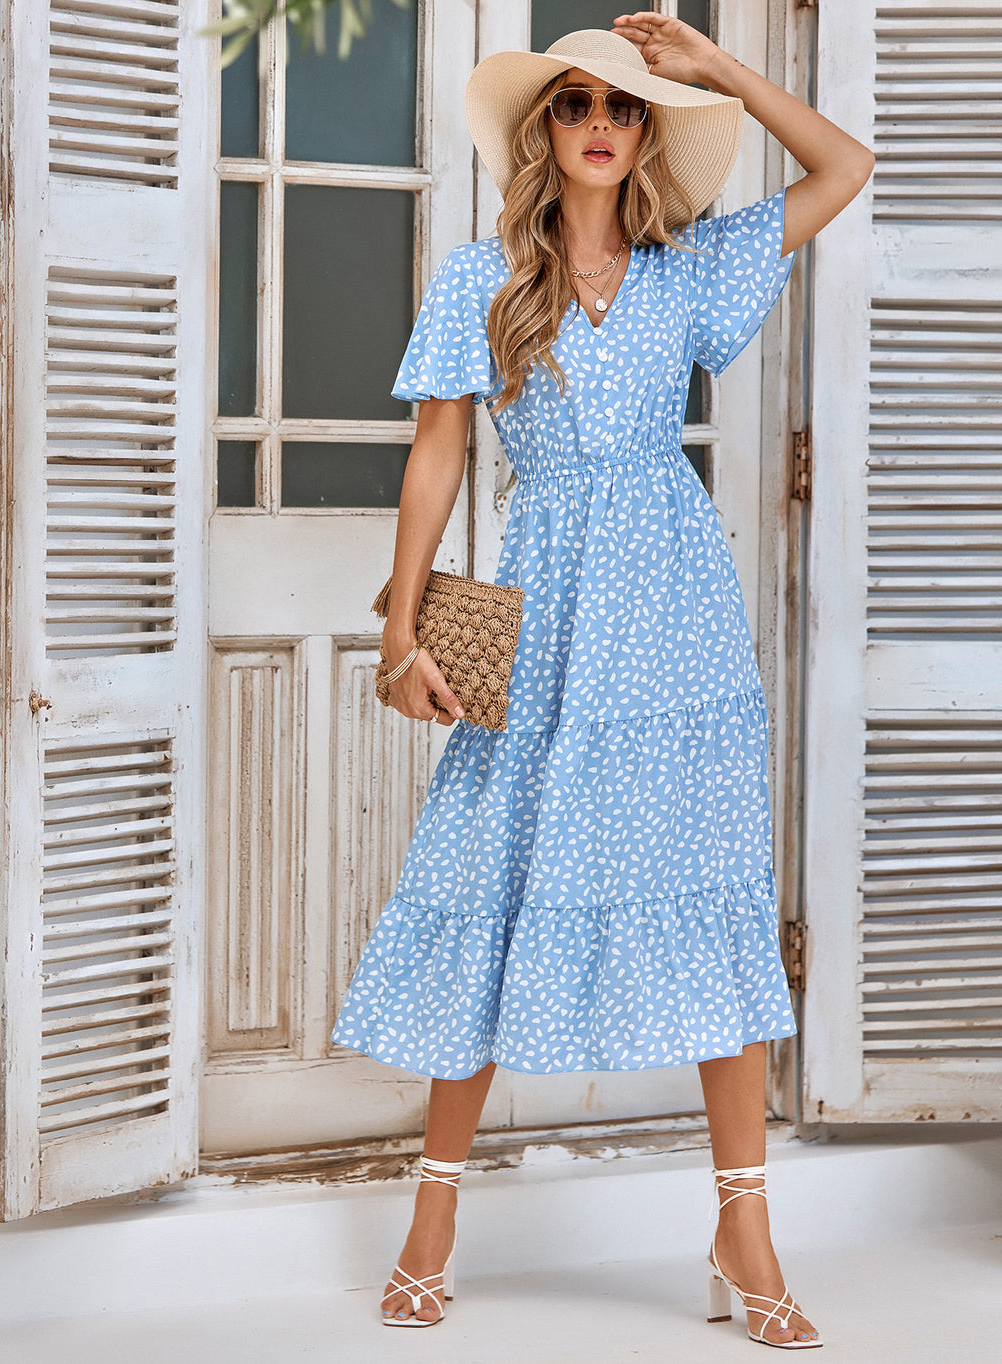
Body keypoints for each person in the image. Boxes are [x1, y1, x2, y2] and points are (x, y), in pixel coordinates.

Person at [331, 13, 874, 1346]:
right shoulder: (482, 277)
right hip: (549, 602)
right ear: (545, 130)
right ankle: (431, 1220)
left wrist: (717, 71)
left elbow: (844, 168)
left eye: (622, 108)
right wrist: (400, 634)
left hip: (677, 617)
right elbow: (437, 456)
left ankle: (745, 1229)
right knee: (498, 880)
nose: (597, 124)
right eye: (574, 103)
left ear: (645, 135)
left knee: (707, 890)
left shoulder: (694, 268)